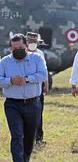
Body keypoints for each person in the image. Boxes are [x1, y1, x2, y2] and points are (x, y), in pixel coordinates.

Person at [0, 34, 48, 162]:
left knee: (29, 137)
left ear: (26, 46)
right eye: (14, 48)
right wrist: (10, 80)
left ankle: (25, 159)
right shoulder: (4, 62)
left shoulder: (37, 58)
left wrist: (27, 79)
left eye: (20, 47)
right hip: (12, 105)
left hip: (33, 104)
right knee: (17, 135)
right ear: (11, 48)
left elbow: (43, 75)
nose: (17, 50)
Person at [26, 32, 49, 146]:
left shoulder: (40, 54)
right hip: (26, 89)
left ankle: (39, 138)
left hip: (38, 88)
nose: (32, 44)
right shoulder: (22, 53)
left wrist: (46, 85)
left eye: (34, 42)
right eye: (30, 42)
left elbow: (44, 71)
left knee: (39, 113)